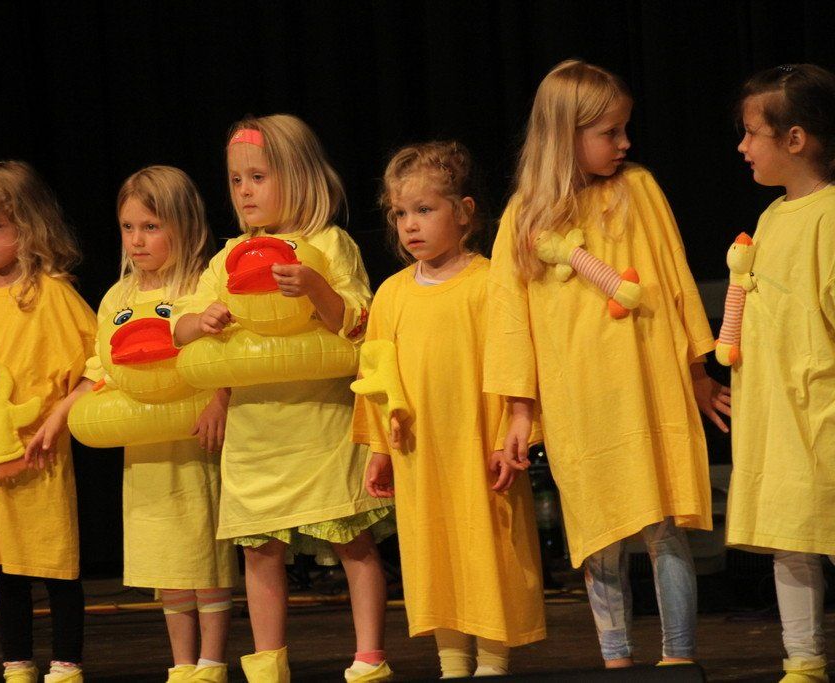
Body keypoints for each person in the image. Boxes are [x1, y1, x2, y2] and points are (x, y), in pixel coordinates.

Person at [484, 60, 729, 667]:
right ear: (564, 135)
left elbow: (674, 278)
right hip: (581, 403)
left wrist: (697, 373)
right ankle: (616, 661)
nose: (624, 143)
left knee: (664, 526)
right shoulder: (525, 216)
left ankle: (679, 660)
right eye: (609, 132)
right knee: (601, 537)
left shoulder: (637, 189)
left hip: (648, 389)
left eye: (624, 129)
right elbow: (510, 322)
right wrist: (520, 410)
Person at [172, 114, 394, 682]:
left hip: (321, 424)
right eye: (236, 180)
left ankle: (369, 655)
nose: (244, 191)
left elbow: (358, 323)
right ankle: (268, 663)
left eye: (258, 177)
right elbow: (181, 327)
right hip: (256, 432)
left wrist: (314, 286)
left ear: (297, 177)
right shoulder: (228, 257)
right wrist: (203, 321)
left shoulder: (329, 244)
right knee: (259, 548)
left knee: (352, 538)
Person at [353, 141, 546, 677]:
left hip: (478, 446)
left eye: (424, 209)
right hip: (420, 454)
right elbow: (379, 377)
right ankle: (452, 663)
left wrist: (509, 435)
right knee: (433, 550)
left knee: (488, 548)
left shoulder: (489, 284)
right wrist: (378, 448)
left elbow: (515, 361)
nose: (410, 225)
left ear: (463, 212)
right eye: (400, 214)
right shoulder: (392, 294)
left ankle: (493, 663)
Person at [76, 166, 237, 682]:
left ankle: (211, 661)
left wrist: (219, 400)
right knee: (167, 556)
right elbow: (101, 368)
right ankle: (182, 663)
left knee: (203, 552)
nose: (137, 240)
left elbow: (223, 353)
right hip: (145, 449)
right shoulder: (117, 297)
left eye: (151, 227)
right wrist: (62, 414)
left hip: (193, 442)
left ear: (184, 226)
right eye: (129, 227)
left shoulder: (199, 286)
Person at [0, 160, 96, 683]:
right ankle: (16, 663)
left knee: (53, 563)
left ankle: (66, 662)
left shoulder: (51, 293)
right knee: (5, 565)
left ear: (29, 226)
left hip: (37, 454)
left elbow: (98, 362)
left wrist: (59, 415)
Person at [727, 63, 835, 683]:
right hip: (779, 413)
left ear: (795, 139)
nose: (743, 146)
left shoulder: (828, 216)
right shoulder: (772, 216)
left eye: (752, 133)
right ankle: (804, 660)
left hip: (818, 408)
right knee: (791, 536)